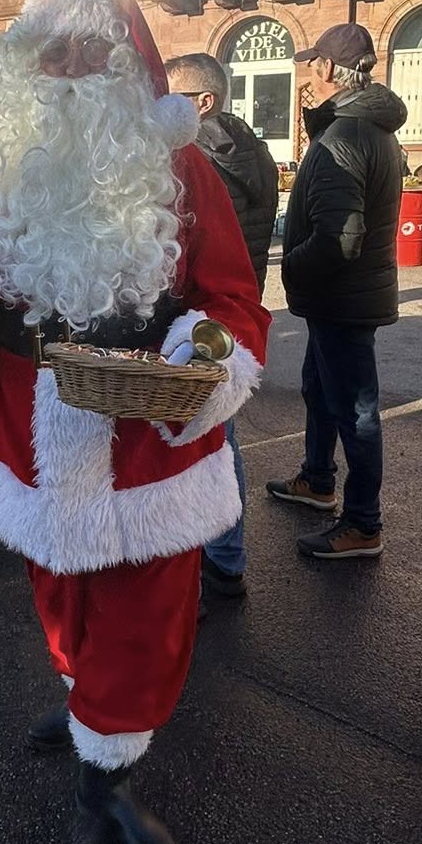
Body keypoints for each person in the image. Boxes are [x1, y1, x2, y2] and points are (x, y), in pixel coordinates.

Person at [0, 0, 268, 844]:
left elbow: (232, 300)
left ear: (128, 64)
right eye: (49, 53)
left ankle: (108, 770)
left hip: (143, 436)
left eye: (88, 51)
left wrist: (199, 353)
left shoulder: (182, 168)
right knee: (57, 590)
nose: (66, 69)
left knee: (148, 608)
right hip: (24, 429)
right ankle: (84, 704)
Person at [268, 22, 405, 563]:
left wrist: (290, 268)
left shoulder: (346, 136)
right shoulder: (366, 129)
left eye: (311, 64)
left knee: (356, 412)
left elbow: (340, 238)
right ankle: (317, 479)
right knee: (321, 390)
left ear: (327, 68)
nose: (307, 75)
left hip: (342, 297)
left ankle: (363, 523)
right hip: (345, 297)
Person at [166, 51, 279, 602]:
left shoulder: (198, 160)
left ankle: (201, 564)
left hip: (199, 317)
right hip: (235, 308)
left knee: (200, 446)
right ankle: (228, 557)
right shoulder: (256, 151)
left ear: (203, 102)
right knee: (221, 438)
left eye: (173, 96)